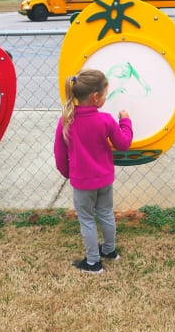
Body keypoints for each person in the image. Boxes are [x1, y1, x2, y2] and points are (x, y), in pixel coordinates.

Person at [54, 69, 133, 274]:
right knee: (106, 213)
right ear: (96, 97)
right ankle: (109, 251)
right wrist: (125, 121)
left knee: (87, 220)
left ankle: (93, 263)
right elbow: (123, 143)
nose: (106, 99)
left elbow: (59, 155)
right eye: (105, 95)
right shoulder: (106, 120)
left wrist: (68, 174)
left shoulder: (66, 121)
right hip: (105, 180)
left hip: (82, 183)